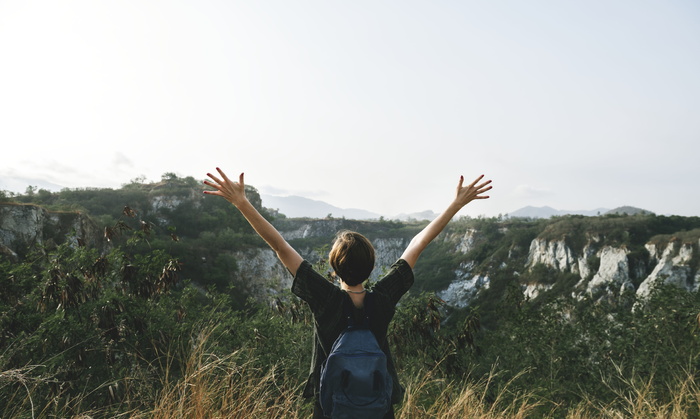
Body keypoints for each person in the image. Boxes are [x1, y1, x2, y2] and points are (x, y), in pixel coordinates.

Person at [203, 168, 492, 418]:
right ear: (372, 266)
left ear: (333, 267)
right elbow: (418, 244)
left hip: (330, 406)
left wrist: (241, 202)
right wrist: (456, 205)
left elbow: (279, 246)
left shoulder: (325, 299)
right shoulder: (383, 298)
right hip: (378, 405)